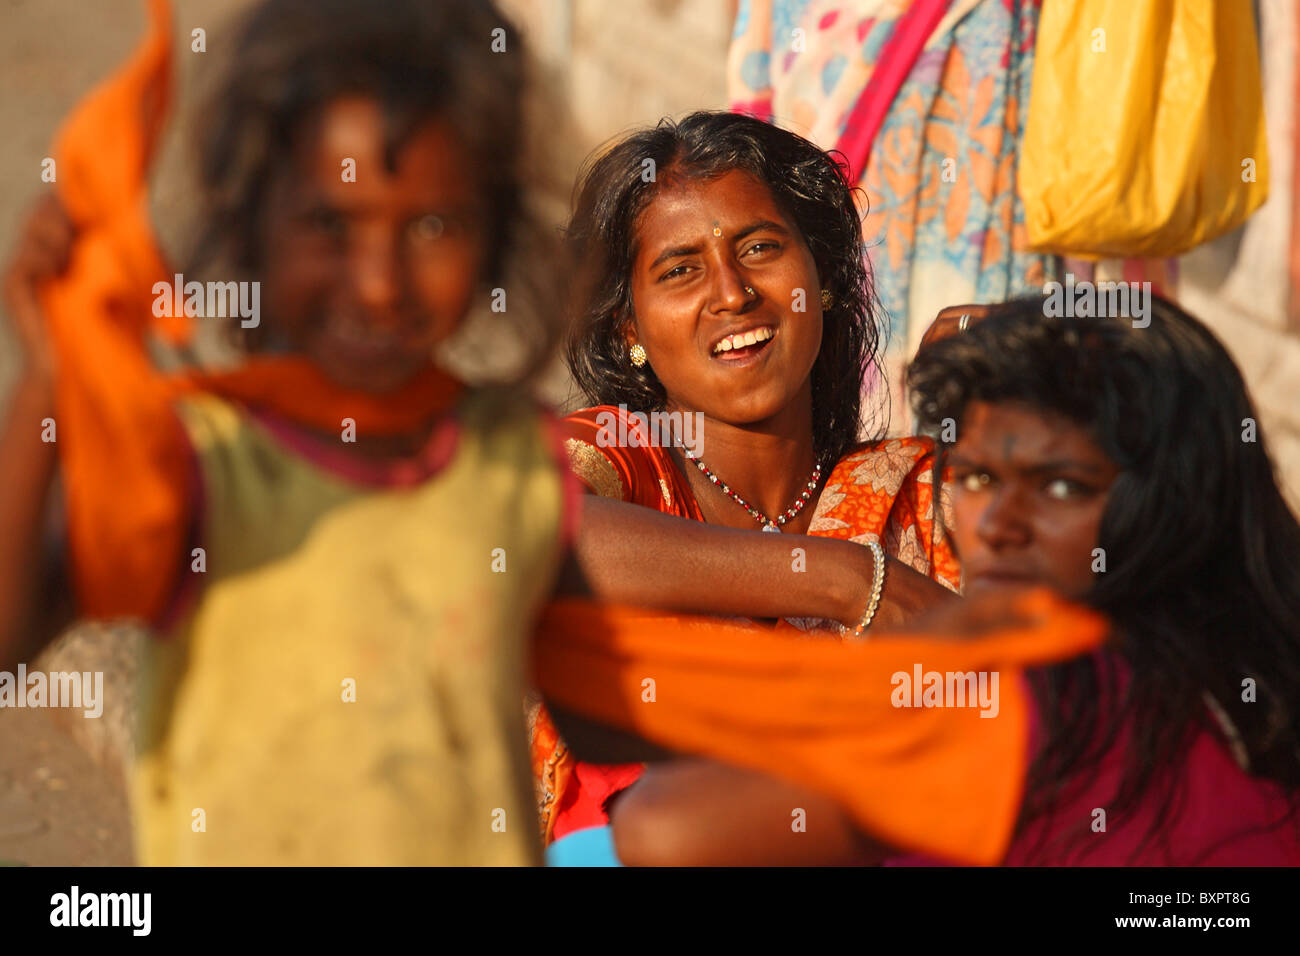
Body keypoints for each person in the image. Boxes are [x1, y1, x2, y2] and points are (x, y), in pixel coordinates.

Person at [590, 295, 1300, 865]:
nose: (998, 524)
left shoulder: (1046, 694)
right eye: (981, 478)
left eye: (1061, 487)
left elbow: (662, 833)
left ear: (1171, 498)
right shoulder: (1247, 676)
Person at [533, 111, 962, 848]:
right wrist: (848, 582)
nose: (732, 294)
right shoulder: (625, 461)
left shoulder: (911, 493)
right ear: (629, 330)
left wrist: (1030, 384)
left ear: (822, 281)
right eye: (679, 269)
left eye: (760, 248)